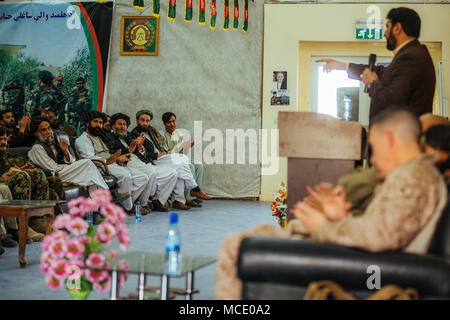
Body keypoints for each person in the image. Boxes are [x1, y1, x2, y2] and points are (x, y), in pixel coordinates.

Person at [214, 107, 447, 299]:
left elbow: (379, 237)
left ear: (389, 139)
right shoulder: (415, 174)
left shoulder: (413, 176)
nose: (373, 159)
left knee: (237, 245)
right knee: (256, 234)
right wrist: (338, 217)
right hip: (367, 256)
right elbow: (384, 229)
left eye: (374, 148)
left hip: (372, 265)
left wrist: (323, 226)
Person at [317, 7, 435, 121]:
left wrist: (372, 83)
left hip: (403, 137)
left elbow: (392, 102)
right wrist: (340, 65)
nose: (385, 33)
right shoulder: (414, 54)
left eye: (388, 27)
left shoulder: (410, 58)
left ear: (397, 28)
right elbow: (380, 72)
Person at [130, 110, 211, 210]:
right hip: (154, 159)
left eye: (147, 121)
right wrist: (157, 154)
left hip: (163, 156)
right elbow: (140, 154)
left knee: (179, 168)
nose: (145, 123)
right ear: (137, 121)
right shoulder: (134, 134)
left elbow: (163, 148)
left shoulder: (151, 131)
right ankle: (194, 188)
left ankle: (177, 201)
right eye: (142, 120)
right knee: (181, 161)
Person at [75, 111, 153, 214]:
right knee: (125, 175)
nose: (98, 125)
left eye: (100, 122)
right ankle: (128, 208)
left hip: (112, 163)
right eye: (95, 122)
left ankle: (123, 203)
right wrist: (111, 160)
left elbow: (110, 153)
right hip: (100, 167)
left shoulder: (99, 137)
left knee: (142, 177)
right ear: (87, 124)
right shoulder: (83, 139)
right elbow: (89, 159)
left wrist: (117, 158)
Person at [0, 126, 62, 242]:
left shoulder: (7, 156)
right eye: (0, 139)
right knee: (22, 176)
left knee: (37, 173)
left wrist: (24, 168)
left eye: (4, 139)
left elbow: (22, 164)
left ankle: (37, 220)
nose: (3, 142)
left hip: (14, 181)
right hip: (4, 185)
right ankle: (22, 224)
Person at [108, 113, 179, 212]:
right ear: (113, 126)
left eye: (124, 124)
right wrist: (130, 150)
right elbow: (116, 154)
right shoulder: (110, 138)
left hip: (141, 161)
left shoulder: (128, 135)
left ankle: (156, 201)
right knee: (149, 174)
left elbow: (142, 153)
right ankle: (139, 204)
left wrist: (140, 147)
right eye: (119, 124)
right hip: (126, 163)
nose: (123, 127)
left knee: (173, 172)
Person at [28, 117, 110, 195]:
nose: (49, 132)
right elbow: (52, 168)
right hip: (54, 176)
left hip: (64, 171)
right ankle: (105, 195)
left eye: (49, 128)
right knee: (87, 164)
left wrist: (65, 151)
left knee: (90, 176)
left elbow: (72, 160)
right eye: (44, 130)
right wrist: (72, 166)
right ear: (36, 133)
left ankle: (95, 203)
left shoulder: (55, 142)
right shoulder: (37, 148)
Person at [161, 111, 203, 208]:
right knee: (190, 166)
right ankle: (187, 198)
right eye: (169, 122)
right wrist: (181, 148)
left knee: (199, 165)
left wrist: (187, 147)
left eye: (173, 121)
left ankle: (195, 194)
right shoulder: (161, 135)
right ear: (164, 123)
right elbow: (167, 154)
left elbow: (181, 152)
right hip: (168, 161)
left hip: (179, 159)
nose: (172, 124)